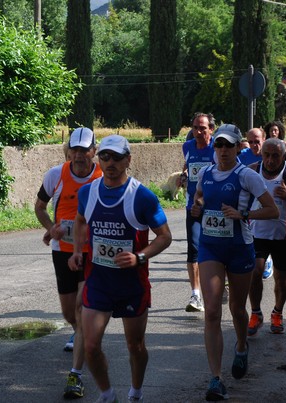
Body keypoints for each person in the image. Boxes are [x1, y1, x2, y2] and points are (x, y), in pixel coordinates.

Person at [68, 135, 172, 403]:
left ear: (128, 159)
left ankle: (135, 392)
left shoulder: (142, 197)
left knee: (135, 346)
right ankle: (107, 393)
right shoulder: (87, 193)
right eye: (105, 157)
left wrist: (139, 257)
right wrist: (78, 251)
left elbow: (164, 236)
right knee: (90, 346)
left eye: (116, 157)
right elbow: (80, 221)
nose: (110, 163)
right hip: (99, 281)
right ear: (98, 158)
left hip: (131, 286)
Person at [191, 124, 278, 401]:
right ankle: (216, 379)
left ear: (238, 146)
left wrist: (243, 215)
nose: (223, 150)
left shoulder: (246, 176)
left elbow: (272, 210)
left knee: (237, 309)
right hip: (210, 248)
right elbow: (199, 199)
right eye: (219, 145)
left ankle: (241, 346)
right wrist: (197, 208)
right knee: (213, 311)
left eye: (228, 145)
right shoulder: (206, 173)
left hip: (240, 248)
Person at [34, 127, 102, 398]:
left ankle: (76, 373)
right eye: (74, 150)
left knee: (81, 307)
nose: (79, 155)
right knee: (67, 312)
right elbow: (39, 207)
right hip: (62, 249)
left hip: (92, 252)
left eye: (84, 150)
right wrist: (52, 229)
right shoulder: (56, 175)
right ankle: (78, 331)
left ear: (93, 151)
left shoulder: (101, 177)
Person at [247, 139, 286, 338]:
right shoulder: (251, 170)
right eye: (267, 155)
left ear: (283, 156)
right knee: (255, 271)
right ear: (261, 154)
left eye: (275, 155)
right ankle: (256, 313)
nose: (270, 160)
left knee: (281, 280)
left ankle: (277, 312)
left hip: (282, 234)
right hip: (256, 233)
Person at [179, 113, 215, 312]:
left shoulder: (217, 149)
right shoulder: (187, 146)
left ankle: (220, 281)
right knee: (193, 248)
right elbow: (188, 164)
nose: (198, 132)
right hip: (193, 206)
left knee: (214, 247)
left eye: (202, 128)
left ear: (210, 129)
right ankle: (196, 295)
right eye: (195, 127)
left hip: (214, 208)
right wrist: (184, 175)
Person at [238, 128, 274, 280]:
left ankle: (268, 259)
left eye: (257, 142)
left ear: (264, 140)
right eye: (250, 142)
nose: (253, 145)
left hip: (268, 197)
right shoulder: (242, 156)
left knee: (265, 233)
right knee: (250, 233)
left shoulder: (272, 155)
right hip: (249, 200)